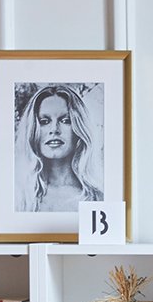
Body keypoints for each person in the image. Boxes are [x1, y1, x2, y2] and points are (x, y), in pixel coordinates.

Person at [16, 84, 103, 212]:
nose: (54, 130)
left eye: (65, 120)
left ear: (79, 128)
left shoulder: (98, 197)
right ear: (32, 130)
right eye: (44, 121)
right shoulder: (18, 196)